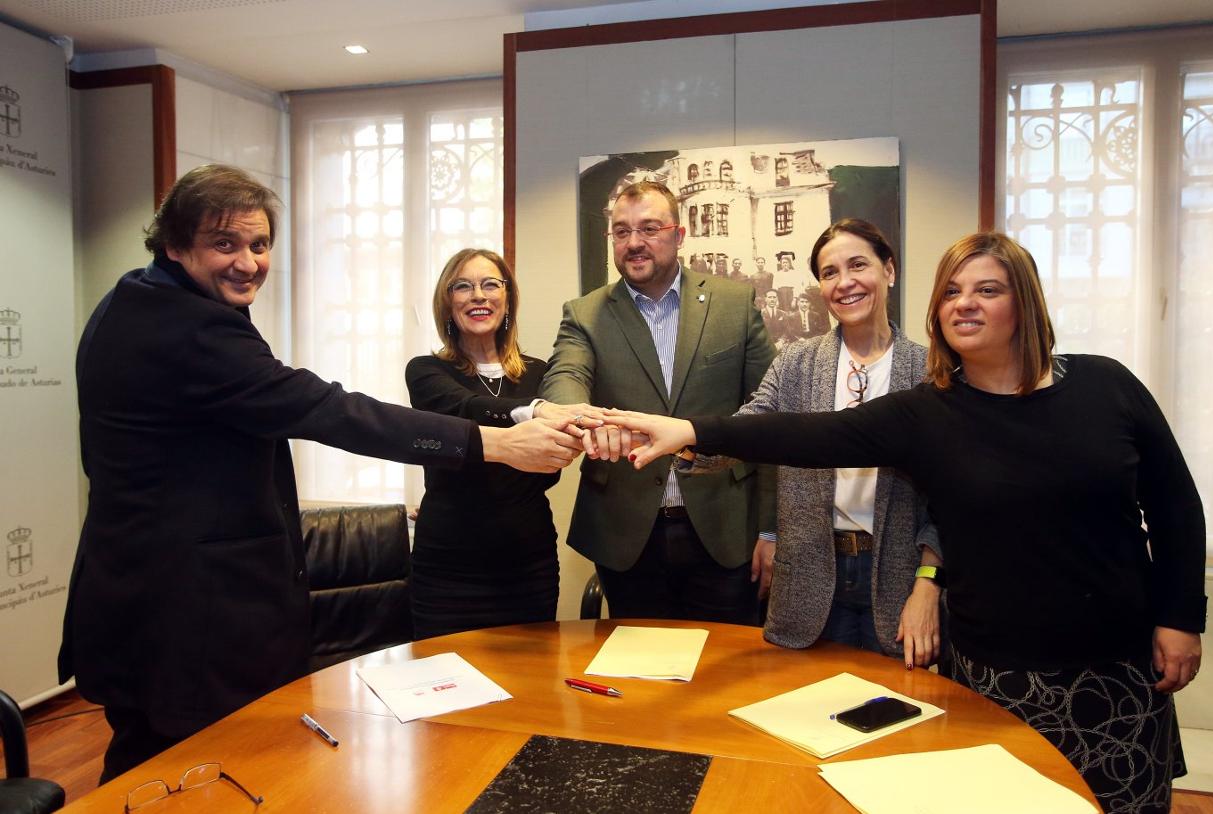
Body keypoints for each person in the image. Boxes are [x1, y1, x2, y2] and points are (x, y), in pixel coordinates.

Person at [609, 232, 1205, 814]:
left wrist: (1181, 617)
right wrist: (688, 432)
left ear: (1025, 301)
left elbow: (1176, 504)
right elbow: (807, 435)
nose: (964, 302)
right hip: (996, 670)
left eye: (987, 289)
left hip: (1115, 663)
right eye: (951, 292)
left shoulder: (1107, 385)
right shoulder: (932, 411)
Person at [63, 165, 584, 783]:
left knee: (159, 769)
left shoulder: (141, 297)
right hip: (183, 611)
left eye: (259, 245)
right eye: (224, 244)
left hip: (151, 596)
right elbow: (324, 409)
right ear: (175, 244)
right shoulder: (187, 327)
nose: (248, 263)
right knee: (178, 777)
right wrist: (495, 444)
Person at [541, 180, 776, 624]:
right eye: (622, 231)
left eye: (649, 228)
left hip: (725, 528)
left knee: (725, 680)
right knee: (638, 676)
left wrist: (771, 527)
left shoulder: (734, 303)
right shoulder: (585, 313)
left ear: (679, 235)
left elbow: (773, 414)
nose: (634, 243)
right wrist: (585, 419)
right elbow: (565, 376)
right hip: (626, 534)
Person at [714, 220, 941, 669]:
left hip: (896, 581)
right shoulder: (797, 362)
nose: (845, 282)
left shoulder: (931, 370)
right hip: (809, 579)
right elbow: (749, 430)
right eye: (829, 272)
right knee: (801, 718)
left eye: (858, 265)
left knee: (891, 719)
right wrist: (680, 441)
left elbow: (949, 498)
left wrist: (929, 583)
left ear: (889, 271)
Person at [405, 249, 581, 639]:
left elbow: (549, 465)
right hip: (447, 567)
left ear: (507, 298)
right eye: (463, 286)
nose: (478, 296)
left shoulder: (541, 373)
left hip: (526, 563)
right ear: (447, 303)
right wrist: (531, 414)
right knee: (444, 685)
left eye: (490, 285)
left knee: (528, 685)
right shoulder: (427, 372)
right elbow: (463, 407)